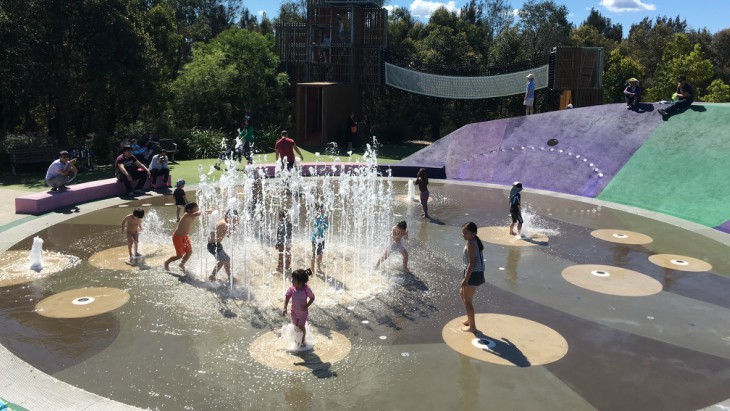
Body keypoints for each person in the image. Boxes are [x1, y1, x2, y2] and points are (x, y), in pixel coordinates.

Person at [164, 202, 209, 272]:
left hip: (185, 237)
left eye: (197, 208)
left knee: (189, 252)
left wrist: (210, 211)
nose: (198, 209)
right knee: (179, 256)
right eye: (196, 208)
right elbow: (197, 213)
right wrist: (210, 211)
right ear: (189, 210)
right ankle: (167, 262)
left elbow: (198, 213)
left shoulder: (193, 215)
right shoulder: (186, 215)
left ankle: (181, 264)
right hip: (177, 237)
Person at [460, 222, 485, 332]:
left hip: (473, 274)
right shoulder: (472, 241)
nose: (463, 235)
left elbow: (472, 263)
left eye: (466, 233)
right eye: (463, 232)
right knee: (462, 293)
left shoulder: (471, 244)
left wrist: (466, 279)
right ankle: (470, 319)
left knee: (468, 300)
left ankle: (473, 327)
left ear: (473, 233)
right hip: (472, 272)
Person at [282, 268, 315, 347]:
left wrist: (306, 305)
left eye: (294, 280)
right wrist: (285, 308)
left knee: (301, 326)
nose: (292, 281)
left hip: (303, 313)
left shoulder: (306, 289)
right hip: (294, 312)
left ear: (300, 282)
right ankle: (297, 339)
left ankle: (303, 341)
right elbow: (287, 297)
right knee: (296, 326)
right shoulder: (292, 289)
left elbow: (312, 297)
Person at [207, 210, 238, 283]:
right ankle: (212, 276)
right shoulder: (223, 224)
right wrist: (232, 227)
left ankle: (229, 276)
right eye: (233, 218)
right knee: (223, 260)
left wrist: (232, 227)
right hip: (213, 245)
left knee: (227, 259)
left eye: (235, 218)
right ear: (227, 216)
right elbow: (226, 234)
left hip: (217, 244)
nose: (233, 220)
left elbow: (227, 235)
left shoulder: (225, 223)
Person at [310, 203, 329, 274]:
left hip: (321, 238)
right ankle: (312, 269)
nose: (323, 210)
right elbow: (312, 226)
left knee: (320, 253)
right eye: (322, 209)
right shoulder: (315, 216)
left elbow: (327, 227)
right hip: (315, 239)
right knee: (314, 254)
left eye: (323, 209)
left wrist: (323, 224)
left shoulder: (325, 217)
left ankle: (318, 268)